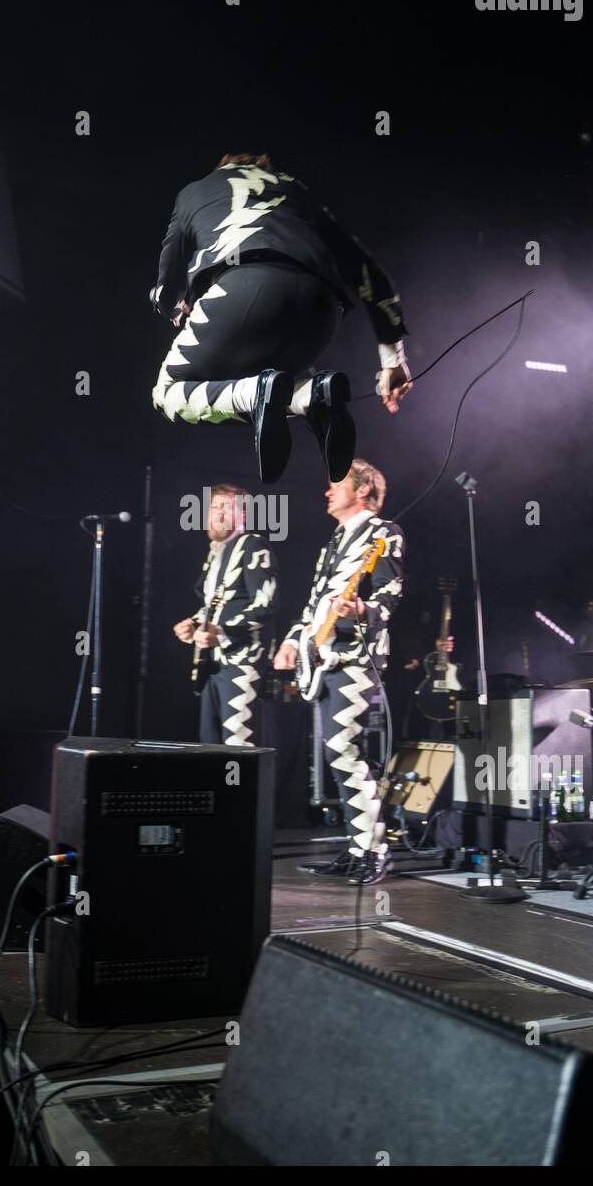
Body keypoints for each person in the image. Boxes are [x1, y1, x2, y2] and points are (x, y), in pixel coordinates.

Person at [150, 153, 413, 483]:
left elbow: (164, 288)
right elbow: (368, 272)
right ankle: (312, 395)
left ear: (221, 169)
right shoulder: (294, 189)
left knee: (167, 393)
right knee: (260, 381)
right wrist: (393, 360)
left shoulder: (194, 192)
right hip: (321, 311)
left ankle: (258, 392)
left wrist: (174, 307)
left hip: (242, 287)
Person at [273, 461, 404, 884]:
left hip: (357, 656)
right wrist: (295, 640)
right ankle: (357, 848)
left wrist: (362, 609)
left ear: (364, 490)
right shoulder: (335, 540)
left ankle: (375, 850)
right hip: (326, 655)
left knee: (344, 749)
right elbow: (315, 603)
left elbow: (390, 592)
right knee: (338, 752)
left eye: (337, 485)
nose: (328, 492)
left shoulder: (384, 533)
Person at [173, 485, 277, 746]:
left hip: (242, 660)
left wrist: (220, 632)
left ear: (242, 513)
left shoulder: (253, 545)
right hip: (214, 663)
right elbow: (213, 605)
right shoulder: (215, 553)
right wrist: (194, 624)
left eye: (224, 506)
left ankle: (243, 788)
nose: (216, 513)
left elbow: (265, 604)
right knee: (210, 744)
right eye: (213, 507)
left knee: (238, 743)